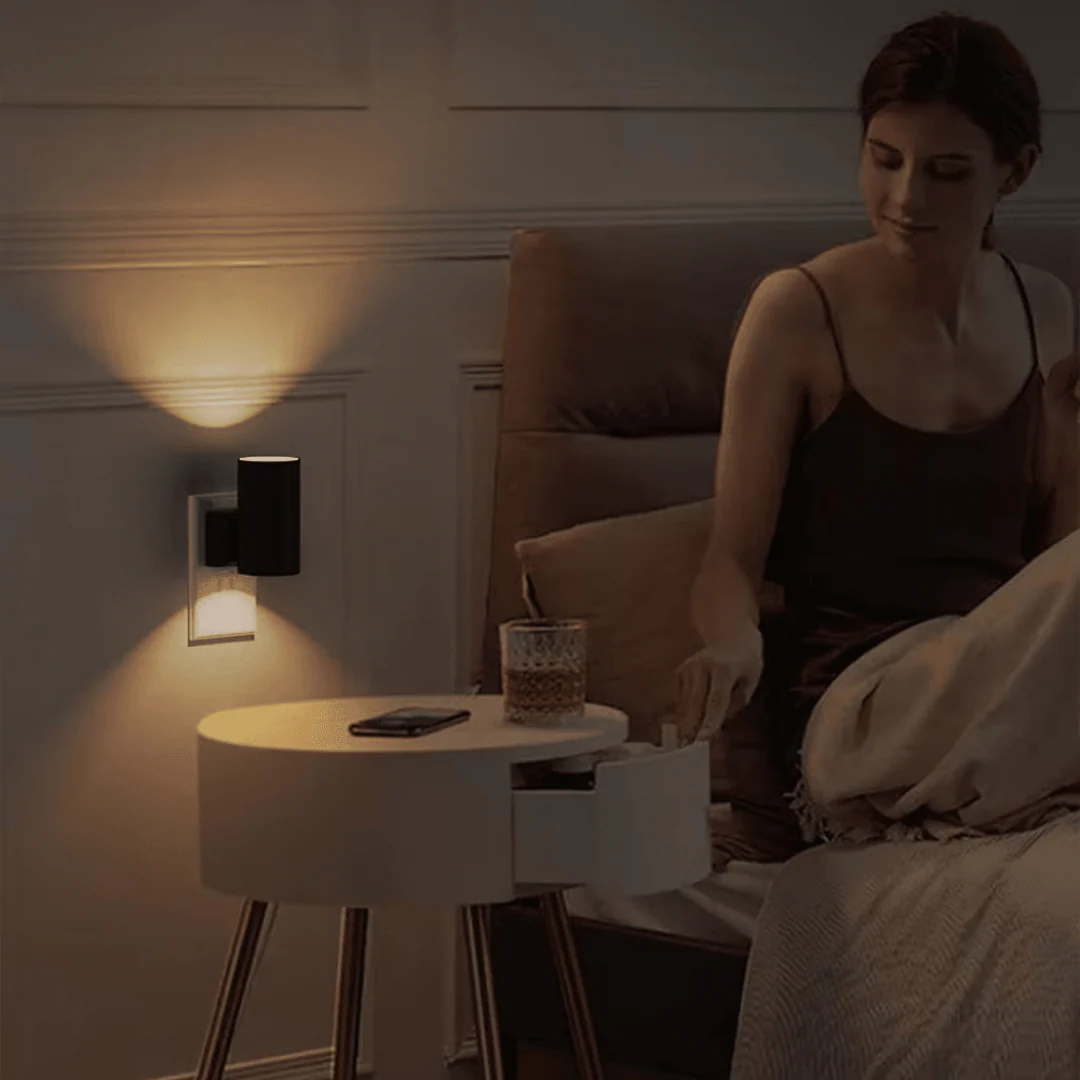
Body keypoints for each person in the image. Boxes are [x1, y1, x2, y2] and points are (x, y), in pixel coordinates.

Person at [676, 12, 1080, 864]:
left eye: (945, 172)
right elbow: (728, 562)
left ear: (1016, 172)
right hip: (860, 713)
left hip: (1001, 697)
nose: (904, 199)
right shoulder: (795, 313)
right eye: (884, 160)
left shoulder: (1045, 307)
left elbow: (1054, 574)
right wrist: (731, 640)